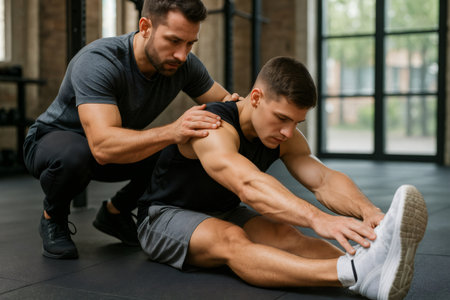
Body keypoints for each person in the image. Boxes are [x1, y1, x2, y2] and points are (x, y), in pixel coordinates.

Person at [136, 56, 428, 299]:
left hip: (223, 210)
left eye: (297, 122)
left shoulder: (282, 135)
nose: (289, 132)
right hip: (164, 216)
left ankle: (368, 269)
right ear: (256, 98)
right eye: (282, 118)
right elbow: (247, 185)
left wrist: (370, 212)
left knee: (285, 234)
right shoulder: (213, 126)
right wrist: (318, 218)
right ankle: (351, 273)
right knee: (231, 238)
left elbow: (323, 179)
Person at [23, 0, 241, 260]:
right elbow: (102, 147)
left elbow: (227, 105)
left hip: (109, 147)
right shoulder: (99, 61)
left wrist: (252, 108)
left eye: (189, 43)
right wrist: (173, 130)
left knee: (177, 151)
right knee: (76, 154)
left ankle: (116, 213)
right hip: (52, 143)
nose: (182, 55)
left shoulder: (184, 65)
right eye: (173, 41)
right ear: (145, 27)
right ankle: (53, 217)